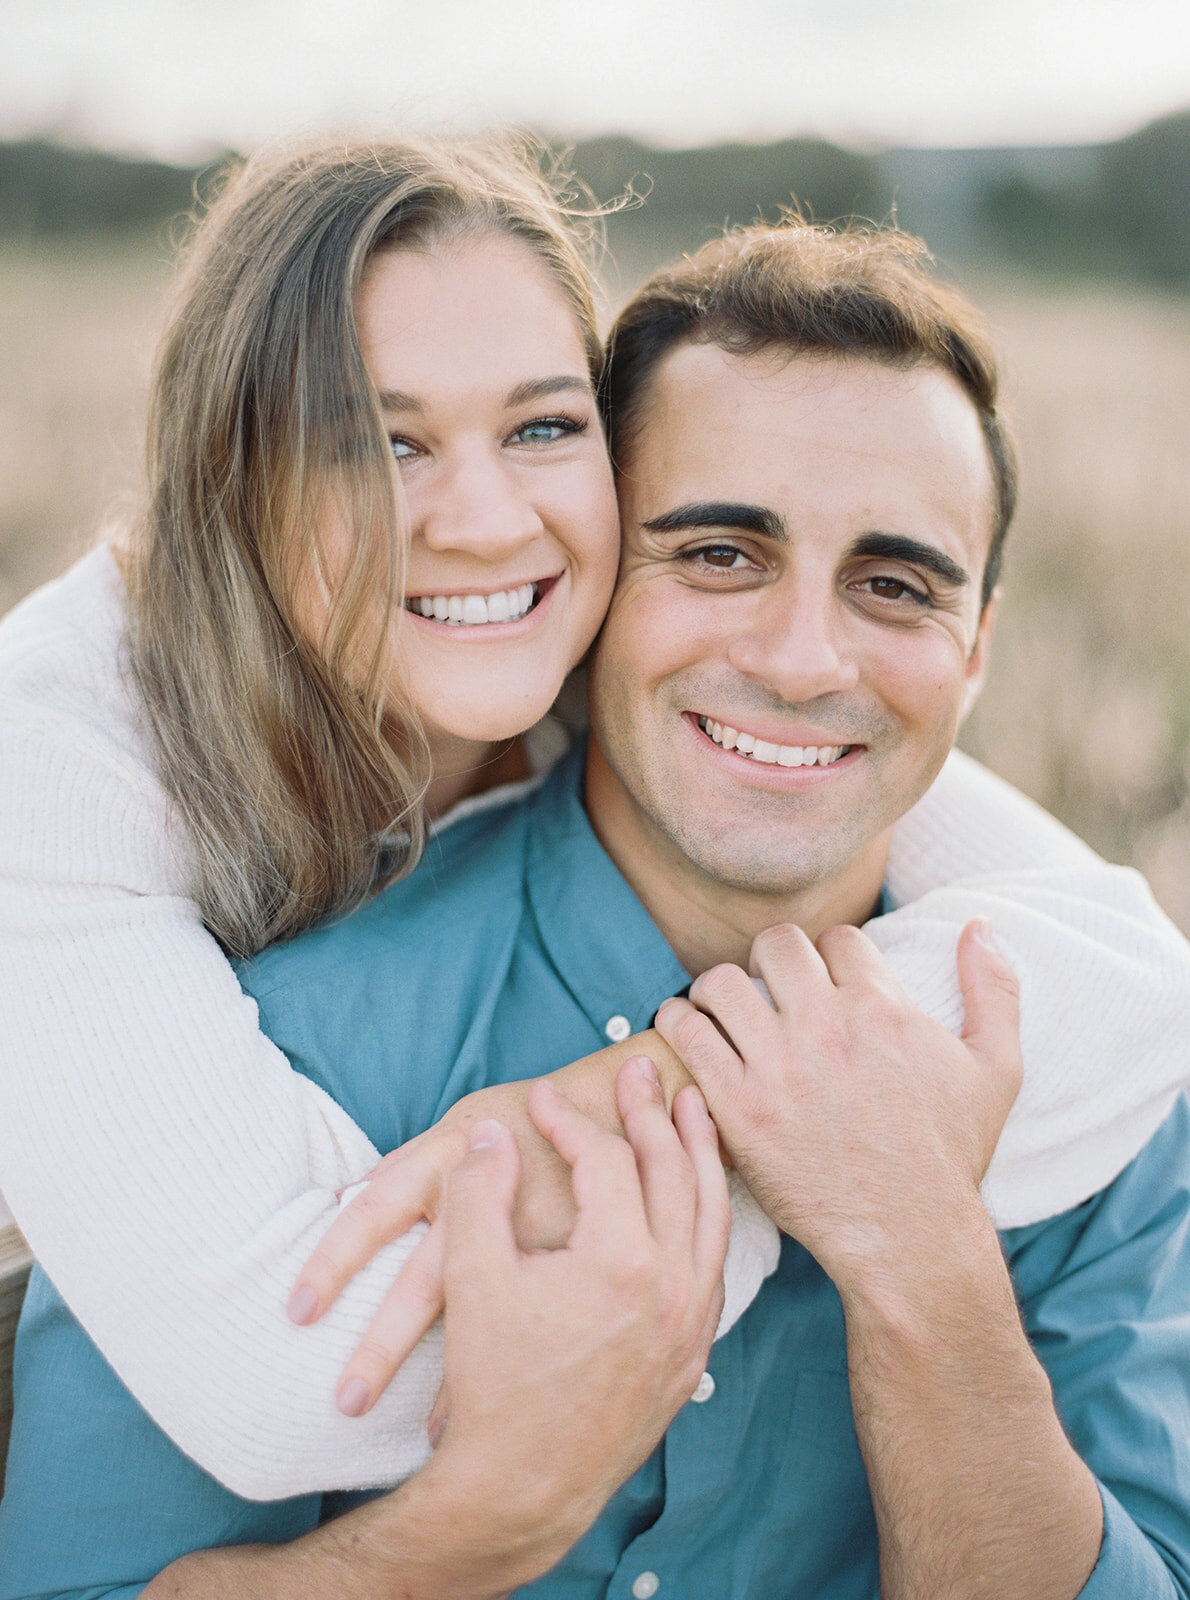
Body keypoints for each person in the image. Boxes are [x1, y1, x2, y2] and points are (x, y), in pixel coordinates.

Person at [3, 217, 1189, 1600]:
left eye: (892, 585)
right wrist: (467, 1524)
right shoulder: (265, 1056)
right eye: (718, 555)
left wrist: (923, 1270)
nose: (802, 660)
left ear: (976, 649)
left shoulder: (1106, 1079)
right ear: (589, 583)